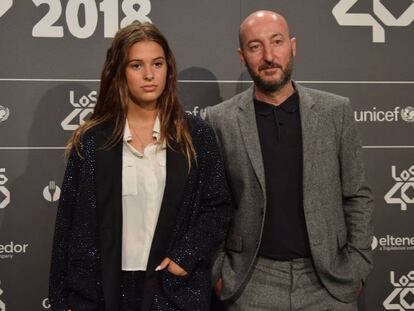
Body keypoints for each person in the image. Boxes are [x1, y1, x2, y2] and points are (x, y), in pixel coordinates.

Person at [48, 21, 231, 311]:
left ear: (168, 68)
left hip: (172, 291)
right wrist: (61, 298)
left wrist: (187, 255)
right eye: (136, 65)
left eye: (157, 64)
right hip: (100, 293)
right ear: (119, 72)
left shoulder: (196, 135)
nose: (149, 75)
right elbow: (68, 224)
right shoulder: (92, 140)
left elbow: (218, 205)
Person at [206, 10, 374, 311]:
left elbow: (357, 196)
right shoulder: (221, 120)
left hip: (328, 282)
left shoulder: (335, 111)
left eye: (277, 42)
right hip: (251, 282)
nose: (269, 56)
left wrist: (357, 267)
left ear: (292, 46)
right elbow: (212, 205)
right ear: (242, 56)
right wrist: (220, 273)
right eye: (255, 46)